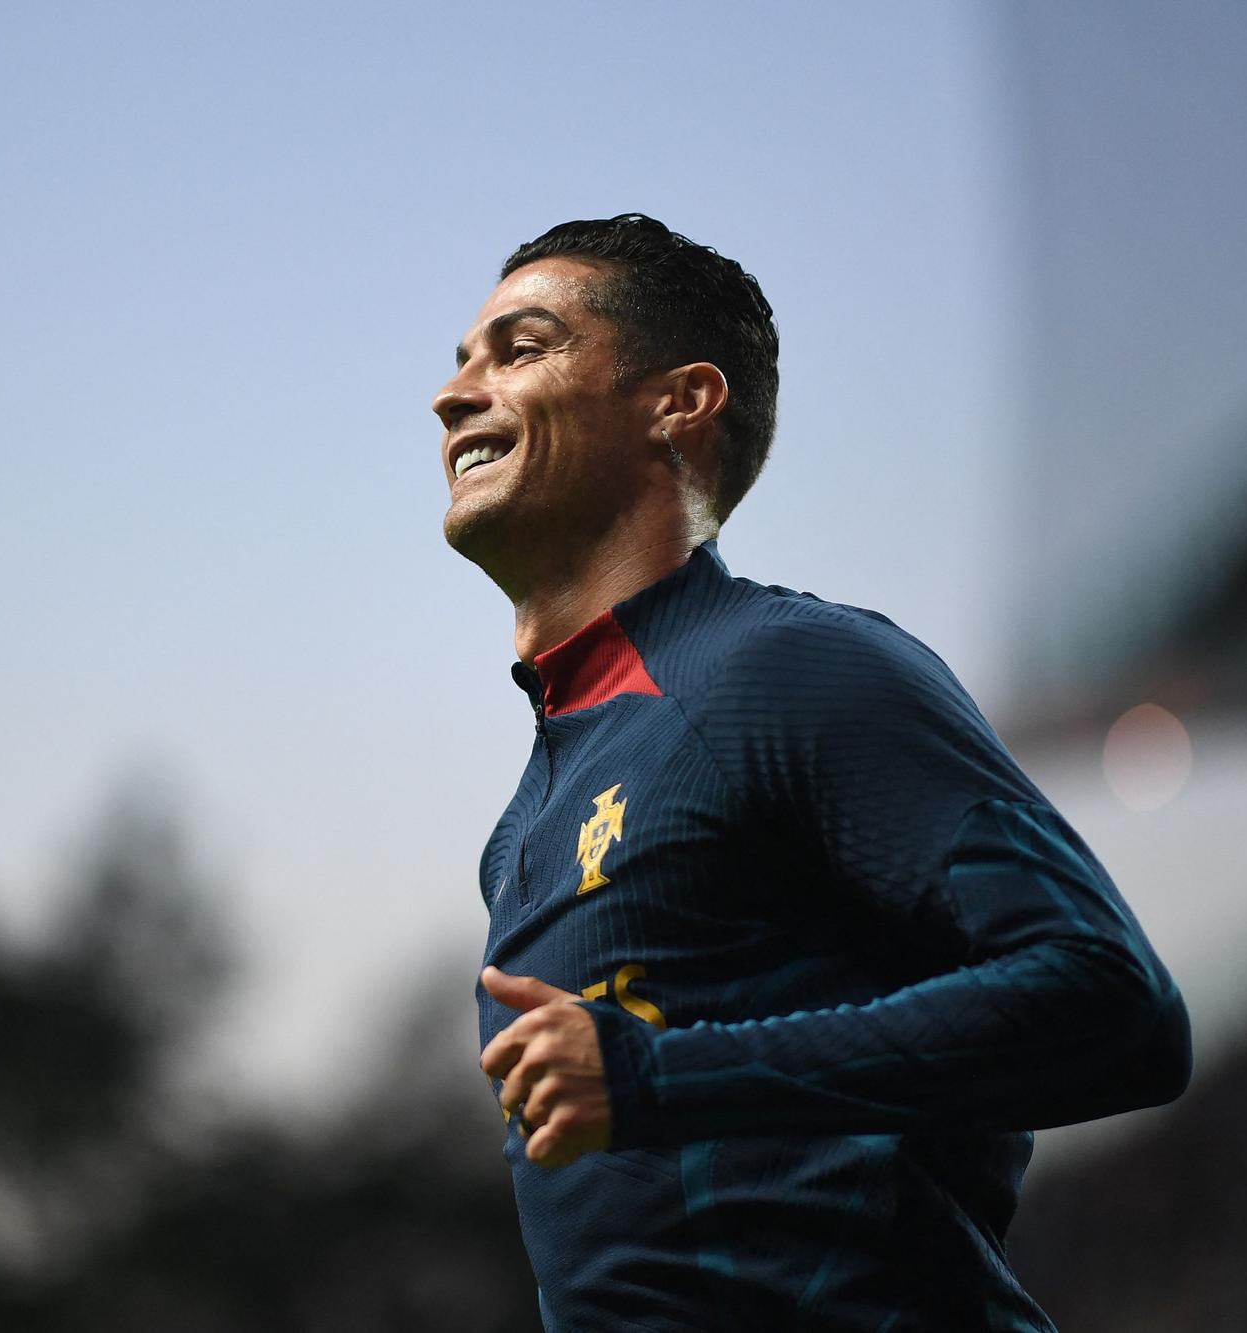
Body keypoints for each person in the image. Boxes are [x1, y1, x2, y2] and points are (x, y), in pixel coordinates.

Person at [436, 214, 1190, 1331]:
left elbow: (1114, 1004)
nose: (454, 395)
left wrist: (660, 1080)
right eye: (461, 362)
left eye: (521, 348)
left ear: (678, 402)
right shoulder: (519, 831)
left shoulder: (786, 668)